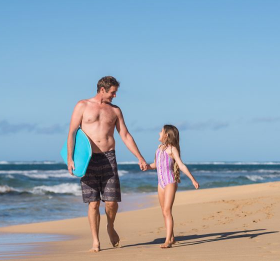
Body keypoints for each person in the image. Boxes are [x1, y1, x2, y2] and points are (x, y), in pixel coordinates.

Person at [67, 76, 148, 252]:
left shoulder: (116, 111)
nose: (115, 96)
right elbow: (73, 132)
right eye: (113, 92)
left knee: (111, 202)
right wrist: (70, 158)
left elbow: (125, 135)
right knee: (93, 203)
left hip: (109, 157)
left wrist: (139, 157)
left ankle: (110, 226)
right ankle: (95, 241)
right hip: (87, 160)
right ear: (102, 90)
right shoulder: (82, 105)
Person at [145, 124, 199, 248]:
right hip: (160, 183)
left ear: (166, 135)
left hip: (170, 182)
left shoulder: (172, 149)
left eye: (161, 131)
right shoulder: (158, 149)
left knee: (167, 211)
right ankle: (172, 237)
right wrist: (146, 166)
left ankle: (168, 241)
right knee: (164, 212)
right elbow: (155, 164)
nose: (159, 133)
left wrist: (193, 179)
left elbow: (181, 165)